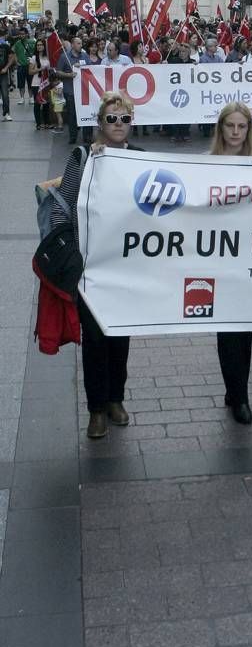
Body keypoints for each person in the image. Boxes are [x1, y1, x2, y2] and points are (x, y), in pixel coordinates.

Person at [51, 91, 140, 438]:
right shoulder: (82, 156)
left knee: (120, 337)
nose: (118, 125)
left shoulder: (142, 159)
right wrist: (72, 253)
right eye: (112, 118)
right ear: (100, 122)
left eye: (125, 119)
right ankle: (97, 409)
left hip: (128, 267)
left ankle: (116, 398)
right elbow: (63, 204)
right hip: (90, 269)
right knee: (95, 339)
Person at [210, 102, 252, 424]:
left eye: (241, 127)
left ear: (249, 130)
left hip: (249, 262)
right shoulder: (206, 164)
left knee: (246, 330)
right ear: (220, 129)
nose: (235, 132)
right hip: (218, 263)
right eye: (229, 126)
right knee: (227, 330)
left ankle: (236, 389)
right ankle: (239, 395)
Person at [57, 34, 89, 145]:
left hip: (84, 90)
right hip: (70, 90)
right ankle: (73, 136)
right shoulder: (64, 56)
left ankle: (87, 137)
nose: (81, 45)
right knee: (72, 114)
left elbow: (90, 70)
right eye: (78, 43)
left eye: (81, 43)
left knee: (86, 113)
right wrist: (69, 74)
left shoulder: (85, 56)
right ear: (73, 44)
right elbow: (58, 72)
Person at [29, 38, 51, 130]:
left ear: (44, 46)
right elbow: (30, 72)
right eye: (38, 45)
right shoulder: (34, 58)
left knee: (46, 104)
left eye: (41, 45)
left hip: (45, 84)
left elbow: (49, 71)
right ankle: (38, 123)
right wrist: (40, 69)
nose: (39, 46)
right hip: (36, 84)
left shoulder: (47, 58)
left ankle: (46, 123)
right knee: (37, 104)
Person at [0, 27, 17, 121]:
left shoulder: (5, 46)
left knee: (5, 94)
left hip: (3, 73)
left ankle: (7, 113)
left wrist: (6, 68)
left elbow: (12, 56)